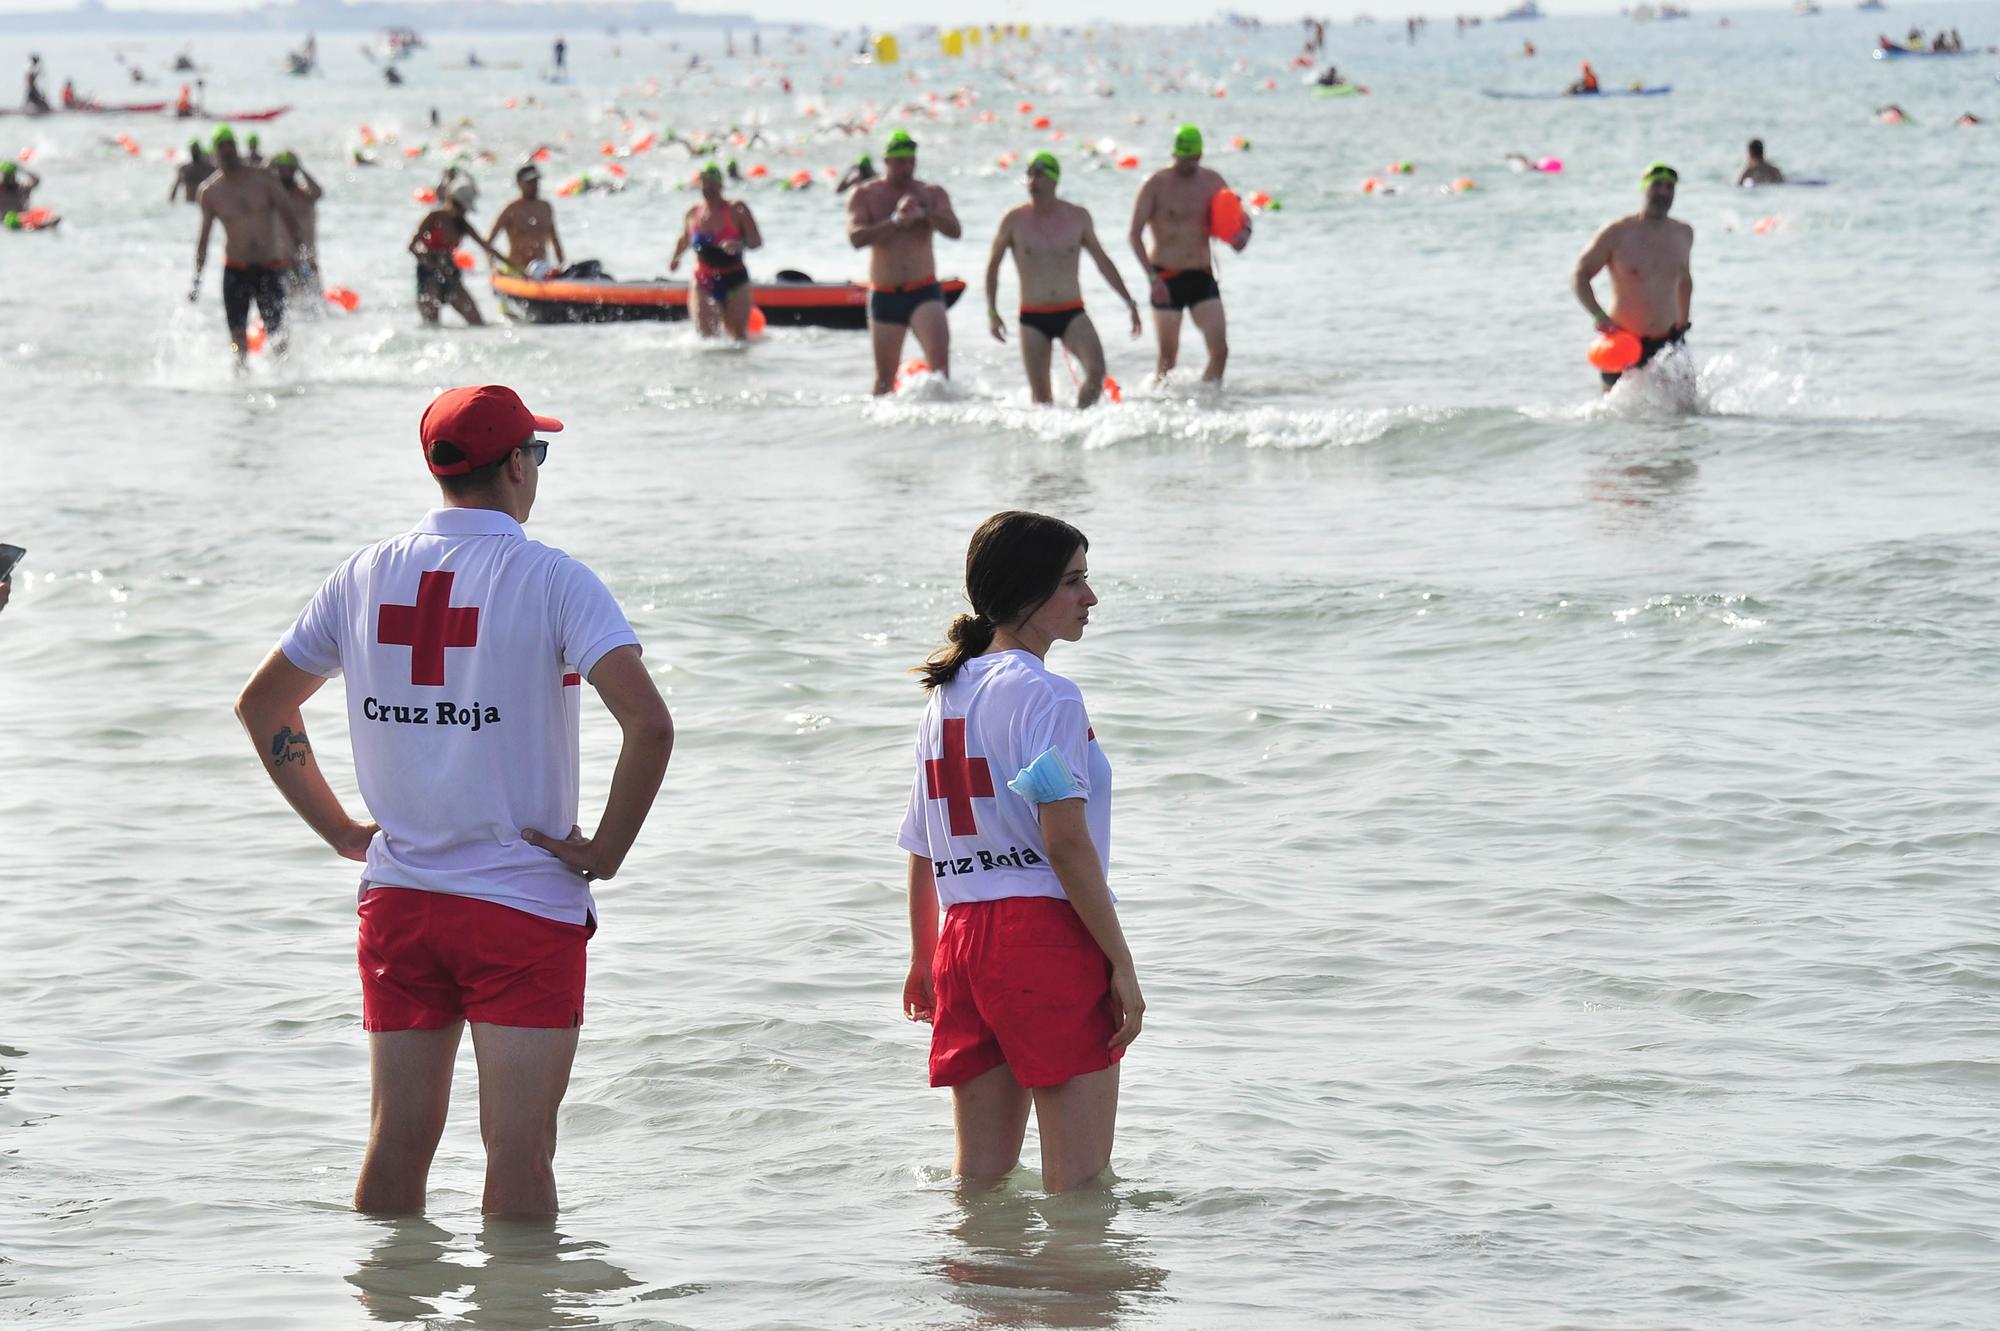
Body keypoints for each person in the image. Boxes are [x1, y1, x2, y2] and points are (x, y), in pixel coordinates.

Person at [233, 383, 674, 1217]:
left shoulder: (365, 573)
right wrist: (606, 852)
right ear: (514, 465)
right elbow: (649, 725)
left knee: (395, 1139)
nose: (536, 470)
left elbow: (263, 705)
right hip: (520, 905)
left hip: (399, 898)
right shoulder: (555, 579)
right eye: (535, 455)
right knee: (518, 1149)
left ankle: (389, 1301)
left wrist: (339, 831)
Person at [898, 510, 1142, 1193]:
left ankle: (982, 1300)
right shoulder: (1046, 695)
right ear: (1027, 593)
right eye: (1074, 582)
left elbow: (922, 847)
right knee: (1081, 1185)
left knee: (978, 1184)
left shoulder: (943, 698)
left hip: (963, 941)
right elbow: (1064, 841)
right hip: (1044, 938)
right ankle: (1077, 1302)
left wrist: (924, 958)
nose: (1089, 598)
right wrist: (1121, 962)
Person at [983, 152, 1141, 409]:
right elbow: (992, 268)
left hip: (1072, 313)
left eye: (1040, 175)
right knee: (1042, 401)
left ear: (1055, 181)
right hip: (1033, 317)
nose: (1033, 181)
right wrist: (992, 312)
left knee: (1097, 374)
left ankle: (1079, 423)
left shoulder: (1077, 217)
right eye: (1030, 175)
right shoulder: (1013, 221)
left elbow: (1103, 262)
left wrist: (1129, 302)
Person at [1127, 124, 1248, 384]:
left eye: (1193, 159)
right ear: (1174, 154)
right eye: (1183, 159)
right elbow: (1134, 234)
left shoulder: (1212, 181)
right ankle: (1159, 406)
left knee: (1220, 352)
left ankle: (1209, 403)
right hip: (1165, 278)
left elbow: (1241, 219)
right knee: (1168, 359)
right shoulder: (1155, 184)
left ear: (1200, 156)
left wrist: (1242, 235)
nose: (1188, 165)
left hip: (1202, 275)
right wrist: (1152, 279)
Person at [847, 129, 961, 394]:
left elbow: (955, 231)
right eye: (900, 162)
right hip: (885, 295)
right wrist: (896, 221)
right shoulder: (865, 195)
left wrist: (924, 214)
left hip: (924, 291)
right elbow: (856, 238)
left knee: (940, 374)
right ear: (886, 161)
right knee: (884, 382)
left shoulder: (931, 193)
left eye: (911, 161)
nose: (906, 168)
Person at [1571, 162, 1693, 392]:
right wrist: (1599, 315)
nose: (1663, 193)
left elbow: (1684, 279)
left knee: (1686, 418)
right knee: (1615, 420)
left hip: (1670, 342)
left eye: (1669, 187)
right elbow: (1579, 274)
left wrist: (1683, 322)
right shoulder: (1617, 233)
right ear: (1644, 188)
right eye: (1657, 186)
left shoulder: (1684, 233)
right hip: (1624, 343)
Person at [191, 126, 300, 364]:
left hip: (269, 266)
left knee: (279, 334)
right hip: (235, 270)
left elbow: (290, 218)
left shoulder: (264, 179)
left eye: (231, 146)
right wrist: (197, 278)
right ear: (214, 153)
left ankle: (288, 383)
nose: (227, 151)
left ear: (237, 148)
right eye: (222, 148)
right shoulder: (210, 191)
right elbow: (204, 240)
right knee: (237, 338)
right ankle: (240, 383)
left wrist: (301, 259)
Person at [668, 162, 763, 339]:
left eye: (712, 183)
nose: (709, 188)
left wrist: (739, 244)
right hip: (704, 280)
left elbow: (756, 241)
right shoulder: (693, 213)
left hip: (735, 279)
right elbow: (684, 239)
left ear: (721, 185)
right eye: (705, 183)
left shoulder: (737, 209)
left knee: (738, 339)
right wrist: (675, 259)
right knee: (705, 340)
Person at [409, 177, 504, 326]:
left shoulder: (462, 223)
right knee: (431, 325)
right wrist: (432, 264)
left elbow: (486, 246)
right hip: (428, 273)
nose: (463, 211)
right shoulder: (434, 217)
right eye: (461, 207)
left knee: (476, 321)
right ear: (452, 201)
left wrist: (516, 268)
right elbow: (412, 247)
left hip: (450, 271)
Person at [485, 164, 566, 274]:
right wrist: (492, 267)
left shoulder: (546, 207)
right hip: (516, 269)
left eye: (536, 181)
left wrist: (562, 266)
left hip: (541, 269)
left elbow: (555, 241)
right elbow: (488, 242)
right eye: (530, 182)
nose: (534, 185)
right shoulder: (511, 209)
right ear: (519, 184)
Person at [272, 151, 325, 307]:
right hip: (283, 263)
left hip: (307, 262)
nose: (284, 173)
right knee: (288, 309)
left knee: (315, 308)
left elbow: (319, 192)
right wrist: (268, 165)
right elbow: (253, 192)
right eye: (281, 169)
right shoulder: (274, 198)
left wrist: (300, 167)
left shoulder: (305, 194)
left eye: (289, 169)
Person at [168, 140, 213, 204]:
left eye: (196, 150)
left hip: (201, 203)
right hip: (190, 204)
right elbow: (176, 187)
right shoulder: (185, 169)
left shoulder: (208, 168)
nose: (195, 152)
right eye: (193, 150)